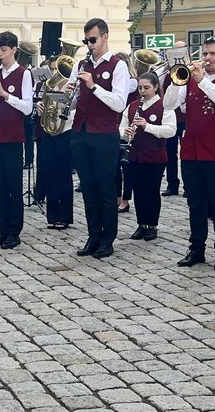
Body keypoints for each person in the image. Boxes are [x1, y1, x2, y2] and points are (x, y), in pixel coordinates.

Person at [165, 36, 215, 271]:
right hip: (191, 150)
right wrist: (175, 81)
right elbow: (169, 105)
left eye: (213, 54)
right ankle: (196, 248)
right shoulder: (189, 80)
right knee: (195, 204)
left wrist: (202, 81)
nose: (208, 58)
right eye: (205, 54)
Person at [70, 18, 132, 259]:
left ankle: (108, 238)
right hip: (81, 132)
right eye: (86, 41)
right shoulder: (81, 65)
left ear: (105, 37)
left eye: (93, 40)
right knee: (88, 188)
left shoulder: (118, 66)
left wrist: (94, 86)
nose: (89, 45)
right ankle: (93, 235)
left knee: (105, 188)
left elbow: (119, 103)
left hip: (104, 134)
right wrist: (68, 94)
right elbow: (75, 101)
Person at [0, 31, 34, 250]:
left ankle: (15, 231)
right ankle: (2, 229)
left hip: (12, 137)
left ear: (14, 49)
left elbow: (27, 107)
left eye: (4, 50)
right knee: (0, 185)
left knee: (13, 185)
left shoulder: (23, 73)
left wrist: (5, 94)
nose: (0, 54)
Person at [121, 73, 175, 241]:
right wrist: (125, 132)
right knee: (137, 190)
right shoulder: (132, 106)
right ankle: (141, 224)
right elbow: (120, 127)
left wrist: (147, 126)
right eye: (140, 88)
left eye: (147, 88)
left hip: (155, 155)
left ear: (156, 87)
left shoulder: (164, 105)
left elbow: (170, 130)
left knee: (151, 191)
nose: (143, 91)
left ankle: (152, 225)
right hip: (134, 155)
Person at [34, 56, 73, 230]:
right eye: (53, 69)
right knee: (49, 172)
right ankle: (52, 215)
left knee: (63, 174)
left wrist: (64, 96)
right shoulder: (48, 84)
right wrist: (40, 108)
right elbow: (44, 105)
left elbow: (74, 108)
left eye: (58, 69)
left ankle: (64, 216)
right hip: (49, 132)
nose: (56, 72)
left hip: (65, 131)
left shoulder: (71, 85)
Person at [162, 40, 188, 196]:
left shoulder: (192, 72)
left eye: (181, 51)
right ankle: (172, 185)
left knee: (186, 154)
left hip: (185, 119)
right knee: (170, 153)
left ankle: (188, 186)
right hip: (170, 118)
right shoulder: (166, 74)